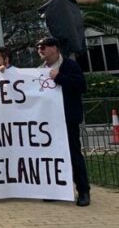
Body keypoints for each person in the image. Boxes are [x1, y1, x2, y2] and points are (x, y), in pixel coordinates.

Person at [37, 37, 90, 207]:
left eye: (44, 46)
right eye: (39, 47)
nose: (40, 49)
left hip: (67, 119)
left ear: (55, 48)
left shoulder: (69, 65)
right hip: (48, 121)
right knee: (52, 156)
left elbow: (81, 86)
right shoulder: (39, 70)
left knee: (73, 154)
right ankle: (57, 190)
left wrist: (59, 77)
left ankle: (83, 191)